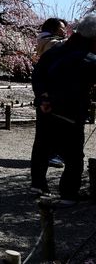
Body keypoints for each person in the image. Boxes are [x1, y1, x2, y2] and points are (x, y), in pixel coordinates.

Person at [30, 14, 96, 205]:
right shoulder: (89, 58)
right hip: (70, 110)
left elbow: (38, 74)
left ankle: (38, 184)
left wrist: (42, 97)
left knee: (42, 145)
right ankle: (68, 194)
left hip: (45, 107)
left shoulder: (57, 49)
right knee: (74, 154)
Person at [35, 17, 69, 169]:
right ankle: (53, 154)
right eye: (62, 28)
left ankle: (52, 154)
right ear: (53, 29)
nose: (65, 31)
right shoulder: (53, 44)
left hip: (47, 88)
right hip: (52, 89)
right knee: (54, 124)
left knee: (49, 124)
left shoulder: (45, 42)